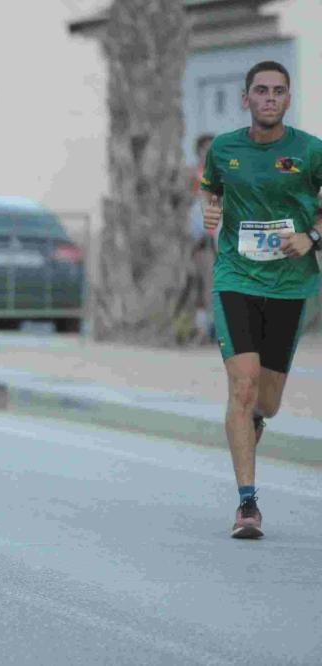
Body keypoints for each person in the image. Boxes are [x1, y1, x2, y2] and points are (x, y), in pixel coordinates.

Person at [200, 61, 322, 539]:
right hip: (236, 277)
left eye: (278, 91)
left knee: (266, 403)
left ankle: (254, 422)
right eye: (261, 90)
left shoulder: (310, 151)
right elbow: (210, 188)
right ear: (245, 98)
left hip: (291, 285)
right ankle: (247, 505)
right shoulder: (223, 148)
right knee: (242, 386)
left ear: (288, 100)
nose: (269, 98)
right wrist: (210, 212)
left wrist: (311, 235)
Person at [188, 134, 216, 341]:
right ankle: (201, 329)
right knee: (199, 284)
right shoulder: (190, 176)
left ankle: (214, 328)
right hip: (196, 239)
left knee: (215, 285)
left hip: (218, 237)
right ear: (197, 151)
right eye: (205, 148)